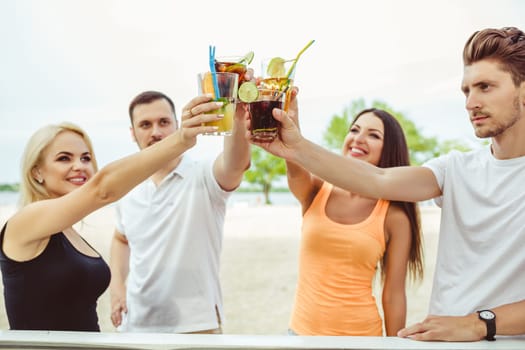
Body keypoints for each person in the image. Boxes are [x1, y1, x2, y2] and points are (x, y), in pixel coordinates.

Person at [249, 26, 525, 341]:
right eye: (466, 90)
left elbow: (394, 292)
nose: (470, 103)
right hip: (437, 343)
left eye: (485, 87)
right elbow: (378, 179)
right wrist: (296, 147)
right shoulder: (455, 168)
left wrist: (480, 323)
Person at [0, 94, 223, 331]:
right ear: (37, 173)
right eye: (64, 158)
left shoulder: (68, 230)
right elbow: (103, 189)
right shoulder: (26, 221)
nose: (80, 166)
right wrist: (181, 139)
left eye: (86, 158)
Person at [109, 90, 251, 334]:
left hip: (197, 326)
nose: (156, 132)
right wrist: (117, 287)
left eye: (163, 122)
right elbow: (121, 238)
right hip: (136, 326)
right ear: (132, 132)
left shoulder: (204, 175)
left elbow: (236, 163)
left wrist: (237, 116)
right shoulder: (128, 186)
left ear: (177, 124)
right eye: (145, 124)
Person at [286, 106, 423, 336]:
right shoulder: (316, 189)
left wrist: (397, 345)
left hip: (360, 339)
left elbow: (393, 295)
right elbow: (294, 160)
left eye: (373, 135)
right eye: (355, 130)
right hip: (300, 335)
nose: (358, 139)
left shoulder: (394, 216)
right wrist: (291, 121)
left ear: (388, 149)